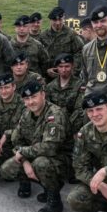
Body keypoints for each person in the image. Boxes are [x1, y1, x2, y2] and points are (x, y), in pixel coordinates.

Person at [0, 80, 67, 212]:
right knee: (7, 169)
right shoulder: (26, 114)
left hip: (61, 159)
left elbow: (50, 147)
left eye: (34, 97)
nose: (31, 102)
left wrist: (23, 152)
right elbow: (16, 140)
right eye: (27, 99)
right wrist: (25, 162)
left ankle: (55, 201)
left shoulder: (55, 114)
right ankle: (46, 186)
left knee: (40, 163)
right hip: (36, 154)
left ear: (43, 95)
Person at [45, 53, 85, 182]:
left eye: (67, 66)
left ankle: (76, 169)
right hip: (55, 125)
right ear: (57, 68)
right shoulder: (50, 87)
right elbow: (47, 109)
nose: (64, 69)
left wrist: (68, 126)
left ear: (72, 66)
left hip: (73, 126)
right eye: (61, 66)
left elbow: (80, 110)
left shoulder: (80, 85)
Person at [39, 7, 84, 79]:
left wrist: (73, 71)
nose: (58, 23)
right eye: (55, 20)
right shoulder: (43, 36)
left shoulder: (71, 34)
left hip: (68, 76)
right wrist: (46, 70)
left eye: (60, 19)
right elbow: (39, 56)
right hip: (49, 77)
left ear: (64, 19)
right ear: (50, 20)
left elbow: (80, 52)